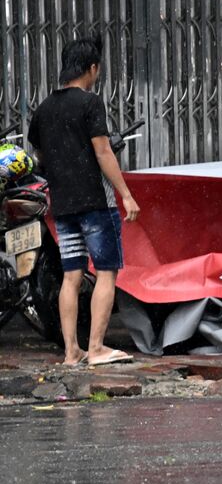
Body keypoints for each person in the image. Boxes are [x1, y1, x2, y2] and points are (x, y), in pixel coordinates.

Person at [26, 34, 141, 365]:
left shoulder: (44, 108)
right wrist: (127, 195)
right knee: (106, 271)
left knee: (71, 276)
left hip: (62, 207)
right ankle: (96, 348)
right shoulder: (90, 103)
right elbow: (103, 150)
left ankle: (71, 352)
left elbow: (40, 155)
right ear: (92, 68)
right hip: (95, 204)